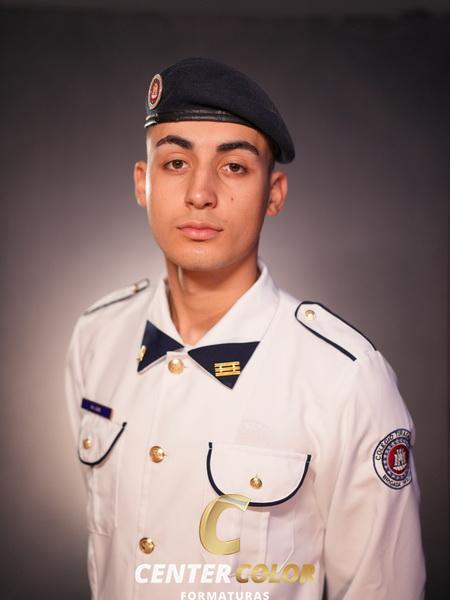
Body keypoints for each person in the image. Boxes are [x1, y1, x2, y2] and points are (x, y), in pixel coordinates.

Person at [65, 57, 426, 600]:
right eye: (176, 162)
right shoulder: (97, 337)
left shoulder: (345, 378)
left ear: (273, 193)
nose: (200, 193)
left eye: (234, 166)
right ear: (143, 183)